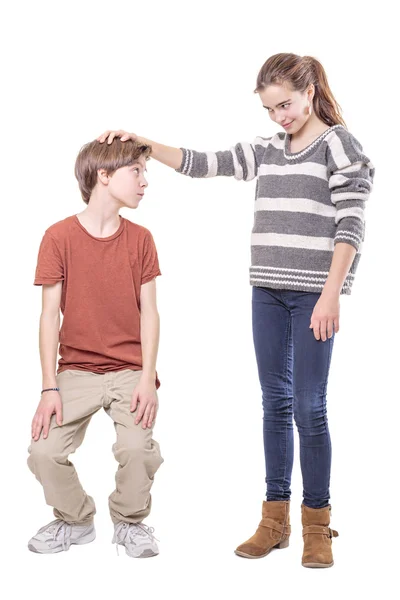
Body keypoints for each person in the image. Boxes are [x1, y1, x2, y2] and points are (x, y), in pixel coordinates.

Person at [98, 53, 374, 568]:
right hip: (265, 293)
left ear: (310, 91)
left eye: (286, 105)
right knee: (275, 404)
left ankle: (318, 522)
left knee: (310, 409)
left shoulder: (339, 144)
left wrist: (332, 293)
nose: (280, 117)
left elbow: (351, 223)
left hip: (315, 294)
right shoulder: (268, 150)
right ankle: (275, 520)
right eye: (271, 110)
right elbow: (205, 162)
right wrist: (141, 144)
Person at [27, 137, 164, 558]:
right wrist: (49, 387)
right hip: (77, 371)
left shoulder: (140, 239)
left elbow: (149, 313)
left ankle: (129, 522)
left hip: (129, 370)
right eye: (136, 171)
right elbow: (50, 315)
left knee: (137, 449)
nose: (145, 182)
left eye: (145, 173)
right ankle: (75, 519)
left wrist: (147, 379)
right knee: (43, 451)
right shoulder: (58, 236)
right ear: (103, 176)